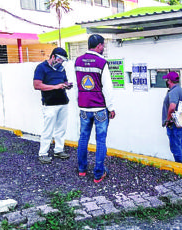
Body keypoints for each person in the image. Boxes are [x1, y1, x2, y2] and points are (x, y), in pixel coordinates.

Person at [75, 34, 116, 183]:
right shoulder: (102, 62)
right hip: (99, 107)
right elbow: (107, 88)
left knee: (83, 138)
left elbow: (78, 86)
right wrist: (111, 107)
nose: (103, 48)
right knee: (100, 141)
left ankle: (82, 170)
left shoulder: (78, 61)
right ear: (98, 45)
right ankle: (98, 174)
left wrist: (79, 103)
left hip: (84, 107)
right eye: (102, 45)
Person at [33, 47, 72, 164]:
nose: (61, 62)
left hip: (63, 101)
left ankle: (59, 150)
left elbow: (63, 81)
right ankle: (43, 153)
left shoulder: (61, 69)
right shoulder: (41, 68)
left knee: (61, 128)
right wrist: (55, 87)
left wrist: (66, 85)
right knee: (48, 129)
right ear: (53, 56)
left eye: (63, 60)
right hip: (49, 103)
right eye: (60, 59)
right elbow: (37, 85)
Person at [161, 71, 182, 164]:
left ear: (169, 81)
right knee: (179, 145)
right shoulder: (178, 89)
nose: (166, 81)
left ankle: (180, 169)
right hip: (178, 123)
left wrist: (167, 120)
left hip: (173, 124)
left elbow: (172, 107)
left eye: (167, 79)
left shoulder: (174, 91)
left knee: (175, 147)